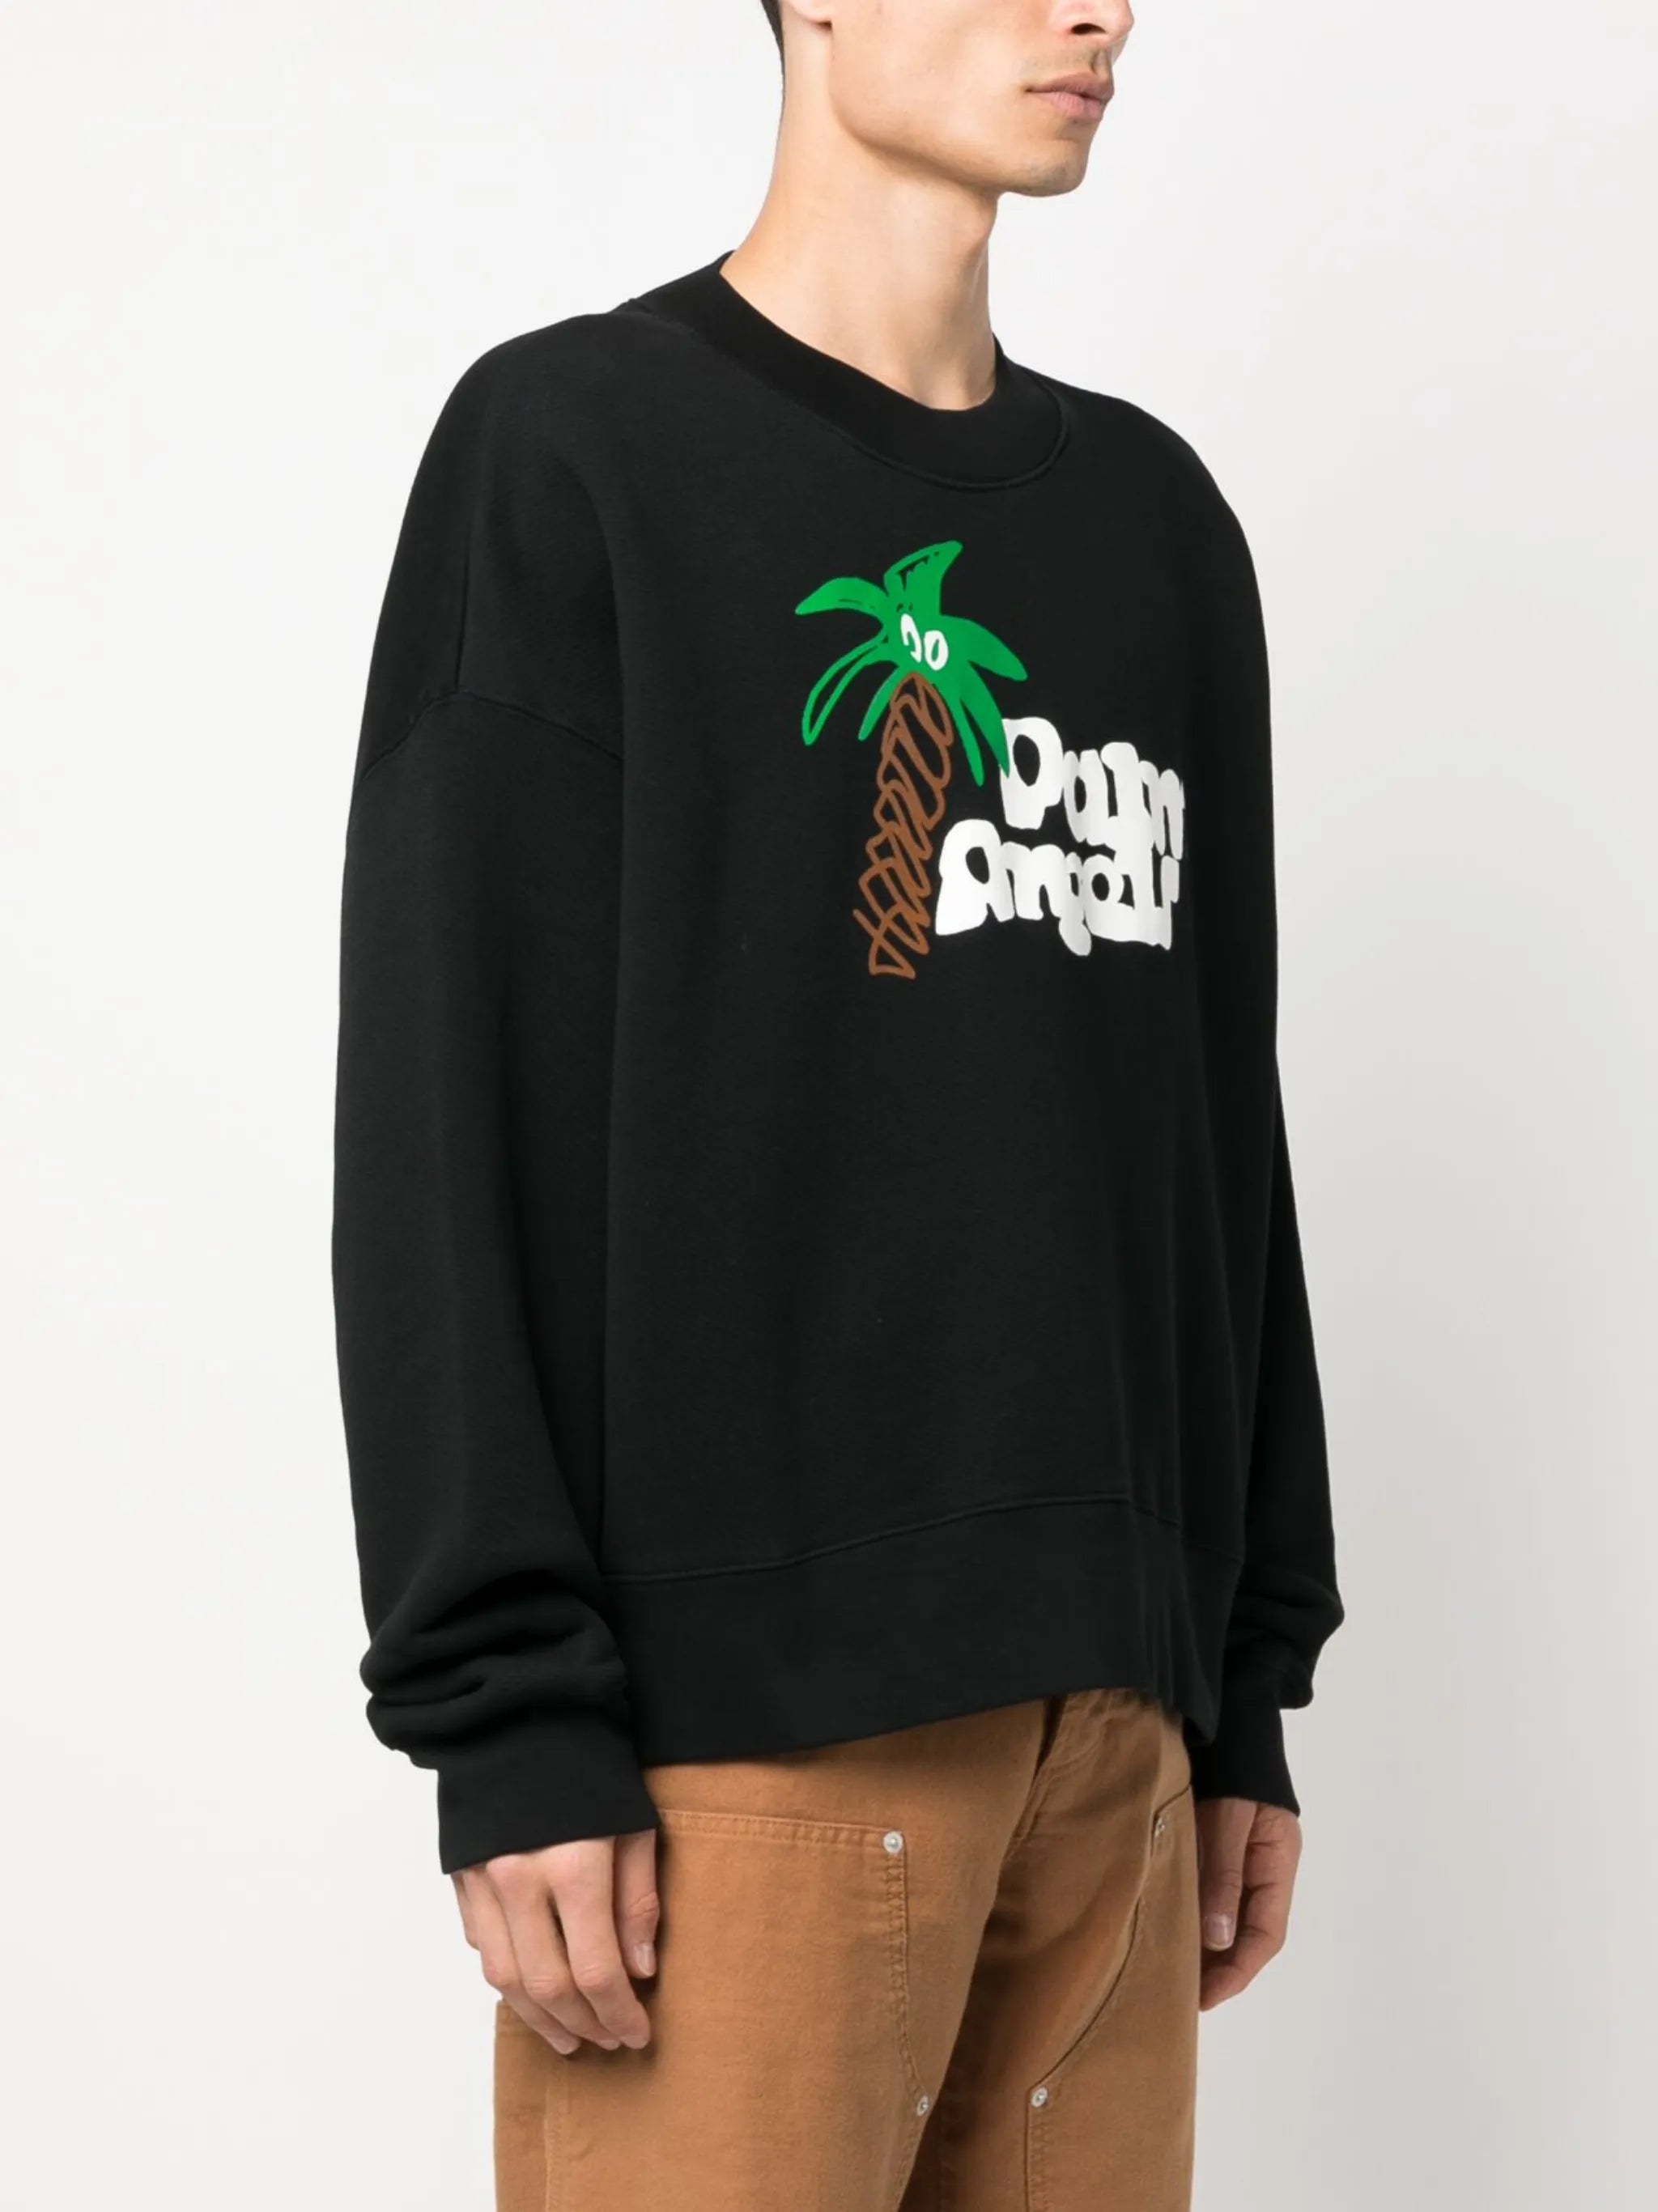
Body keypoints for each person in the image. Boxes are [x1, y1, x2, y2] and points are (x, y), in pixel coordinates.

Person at [331, 2, 1345, 2205]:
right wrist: (511, 1717)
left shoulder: (1159, 531)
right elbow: (443, 1123)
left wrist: (1238, 1678)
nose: (1098, 11)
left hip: (1119, 1752)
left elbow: (1207, 1131)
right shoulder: (578, 454)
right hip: (744, 1756)